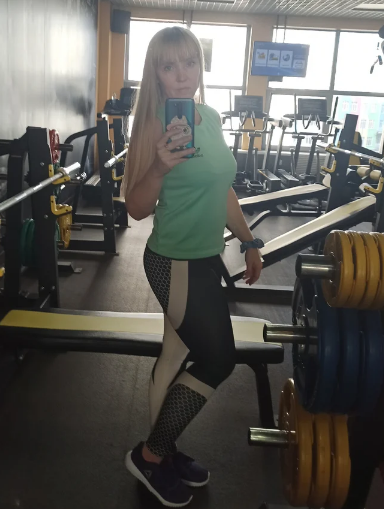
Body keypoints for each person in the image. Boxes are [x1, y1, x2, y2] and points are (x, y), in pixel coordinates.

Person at [121, 26, 264, 508]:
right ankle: (149, 455)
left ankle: (164, 447)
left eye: (190, 63)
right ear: (156, 74)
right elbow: (135, 209)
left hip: (205, 258)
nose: (182, 75)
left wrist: (248, 240)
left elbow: (223, 189)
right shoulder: (150, 126)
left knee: (172, 358)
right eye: (169, 66)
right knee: (218, 360)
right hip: (174, 263)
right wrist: (159, 167)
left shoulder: (210, 117)